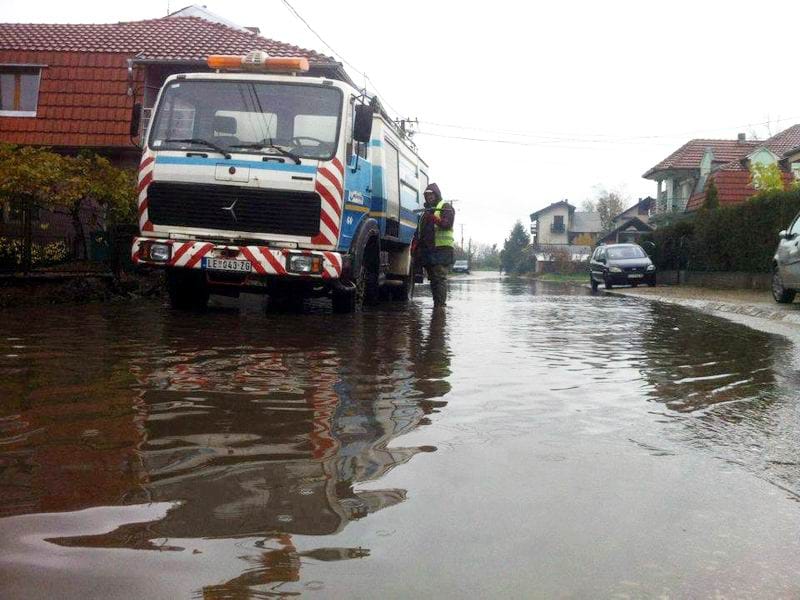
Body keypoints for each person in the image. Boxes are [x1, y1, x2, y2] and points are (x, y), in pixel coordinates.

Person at [416, 183, 455, 307]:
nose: (429, 197)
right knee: (433, 279)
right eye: (427, 195)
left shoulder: (445, 207)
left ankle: (440, 307)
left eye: (431, 194)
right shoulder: (425, 212)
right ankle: (437, 307)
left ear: (436, 194)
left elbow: (447, 224)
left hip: (442, 250)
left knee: (439, 278)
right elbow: (421, 232)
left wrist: (433, 217)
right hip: (429, 251)